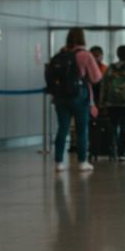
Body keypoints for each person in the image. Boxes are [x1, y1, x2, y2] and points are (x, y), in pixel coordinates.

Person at [51, 28, 102, 172]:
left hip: (60, 98)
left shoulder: (61, 54)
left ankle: (59, 163)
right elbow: (96, 77)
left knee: (62, 129)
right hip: (80, 97)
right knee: (81, 131)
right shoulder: (85, 55)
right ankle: (82, 162)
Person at [99, 45, 125, 161]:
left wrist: (101, 102)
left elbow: (104, 86)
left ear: (117, 55)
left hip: (111, 103)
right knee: (124, 129)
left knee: (112, 128)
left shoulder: (110, 69)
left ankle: (112, 151)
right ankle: (121, 154)